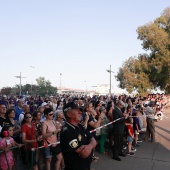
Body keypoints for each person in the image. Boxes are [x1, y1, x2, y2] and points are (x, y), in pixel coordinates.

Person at [60, 102, 97, 170]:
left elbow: (93, 140)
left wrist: (89, 146)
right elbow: (82, 151)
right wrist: (91, 146)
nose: (80, 112)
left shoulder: (80, 126)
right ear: (69, 114)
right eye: (77, 111)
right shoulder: (67, 131)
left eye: (80, 110)